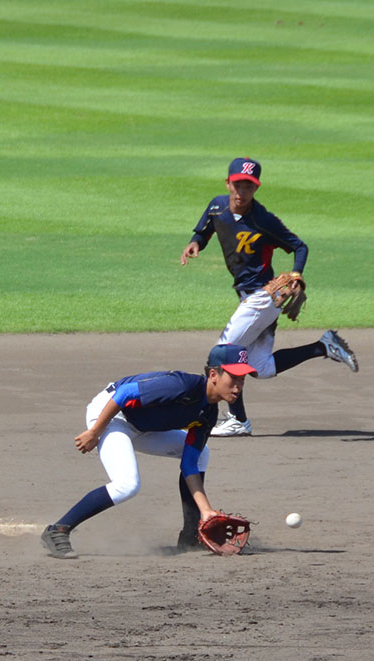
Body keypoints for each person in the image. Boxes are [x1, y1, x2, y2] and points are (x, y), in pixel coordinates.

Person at [180, 157, 358, 437]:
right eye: (238, 185)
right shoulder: (217, 206)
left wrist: (296, 275)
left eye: (249, 187)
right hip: (250, 299)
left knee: (221, 355)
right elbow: (205, 229)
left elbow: (300, 246)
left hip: (265, 296)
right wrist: (195, 243)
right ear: (228, 183)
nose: (242, 192)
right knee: (260, 368)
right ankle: (323, 347)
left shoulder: (262, 220)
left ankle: (226, 419)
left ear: (256, 188)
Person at [40, 344, 259, 560]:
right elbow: (124, 393)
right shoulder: (183, 385)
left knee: (202, 453)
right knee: (127, 485)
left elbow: (189, 464)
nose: (238, 386)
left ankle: (190, 535)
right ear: (214, 374)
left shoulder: (207, 414)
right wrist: (95, 431)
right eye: (234, 377)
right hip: (112, 414)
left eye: (242, 379)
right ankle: (58, 529)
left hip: (142, 426)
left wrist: (207, 512)